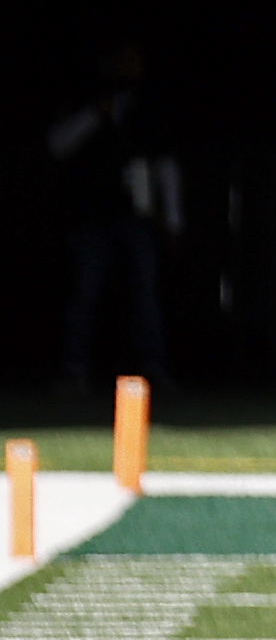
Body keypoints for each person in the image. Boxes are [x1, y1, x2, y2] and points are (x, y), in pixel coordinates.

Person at [51, 39, 179, 394]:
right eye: (120, 61)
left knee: (144, 294)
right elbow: (58, 145)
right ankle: (73, 370)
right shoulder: (85, 100)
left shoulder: (148, 107)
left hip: (137, 216)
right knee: (85, 293)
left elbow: (164, 164)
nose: (127, 69)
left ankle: (152, 369)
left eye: (133, 60)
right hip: (92, 215)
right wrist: (96, 113)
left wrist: (172, 217)